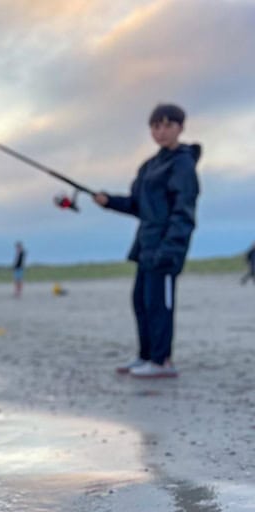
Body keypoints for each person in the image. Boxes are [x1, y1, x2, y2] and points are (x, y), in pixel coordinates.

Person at [93, 103, 200, 379]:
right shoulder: (150, 165)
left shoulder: (183, 164)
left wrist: (170, 248)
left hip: (166, 248)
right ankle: (145, 357)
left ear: (180, 127)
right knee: (141, 301)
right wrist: (108, 201)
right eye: (156, 126)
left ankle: (162, 361)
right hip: (146, 246)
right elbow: (138, 205)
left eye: (168, 125)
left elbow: (183, 211)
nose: (161, 131)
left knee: (159, 304)